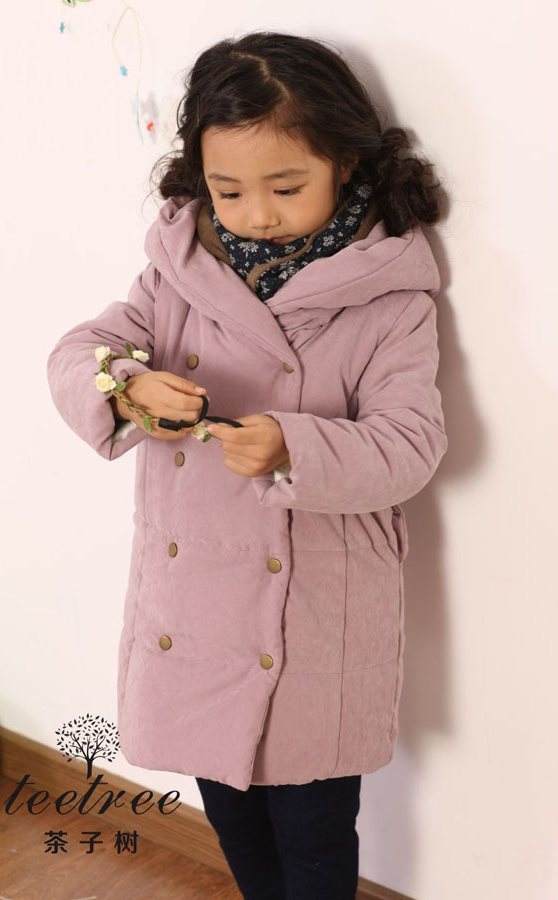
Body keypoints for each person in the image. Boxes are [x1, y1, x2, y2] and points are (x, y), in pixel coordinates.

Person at [47, 30, 448, 900]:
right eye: (228, 190)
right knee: (231, 817)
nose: (256, 214)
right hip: (194, 610)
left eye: (286, 187)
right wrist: (127, 385)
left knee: (314, 836)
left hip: (312, 617)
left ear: (345, 161)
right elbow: (81, 350)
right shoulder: (179, 272)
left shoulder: (389, 296)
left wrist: (294, 443)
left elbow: (410, 443)